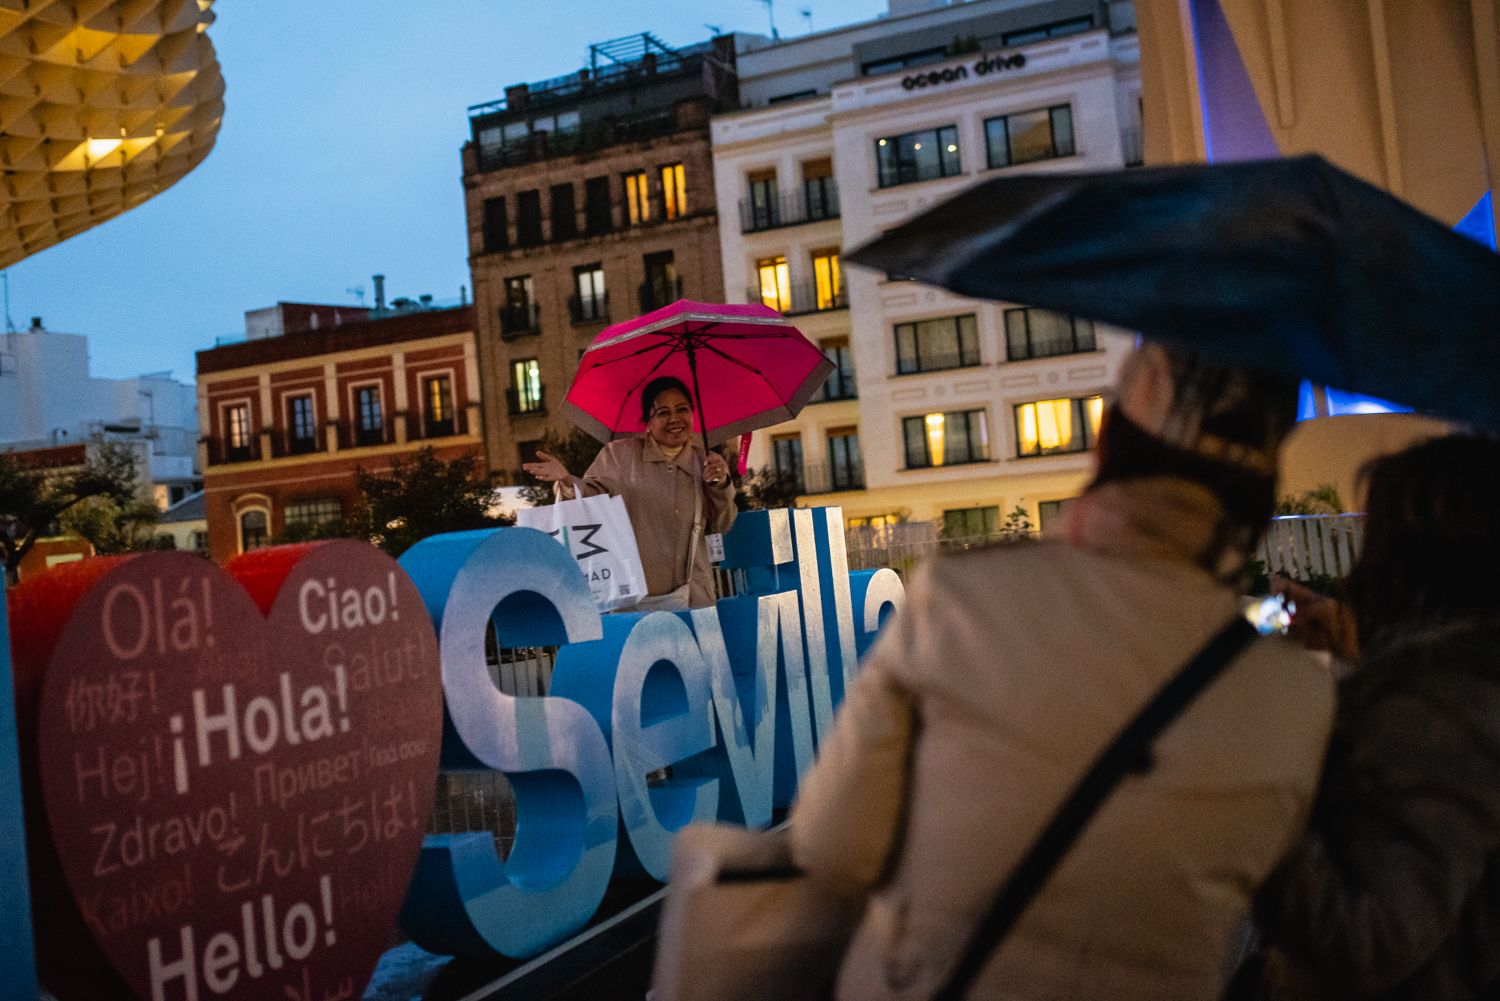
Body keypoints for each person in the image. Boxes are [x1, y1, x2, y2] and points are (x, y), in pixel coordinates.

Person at [787, 343, 1335, 1000]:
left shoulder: (961, 600)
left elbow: (832, 844)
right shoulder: (1298, 695)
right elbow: (1300, 913)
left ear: (1104, 445)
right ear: (1261, 494)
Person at [1252, 434, 1500, 1000]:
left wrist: (1255, 783)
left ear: (1421, 558)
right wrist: (1360, 647)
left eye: (1376, 535)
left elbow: (1363, 940)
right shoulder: (1466, 684)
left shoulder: (1438, 715)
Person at [523, 377, 735, 610]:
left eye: (682, 409)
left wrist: (720, 484)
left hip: (695, 601)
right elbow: (590, 499)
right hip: (634, 606)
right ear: (646, 422)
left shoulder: (706, 462)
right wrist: (565, 479)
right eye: (663, 412)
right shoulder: (618, 456)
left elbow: (721, 525)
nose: (674, 418)